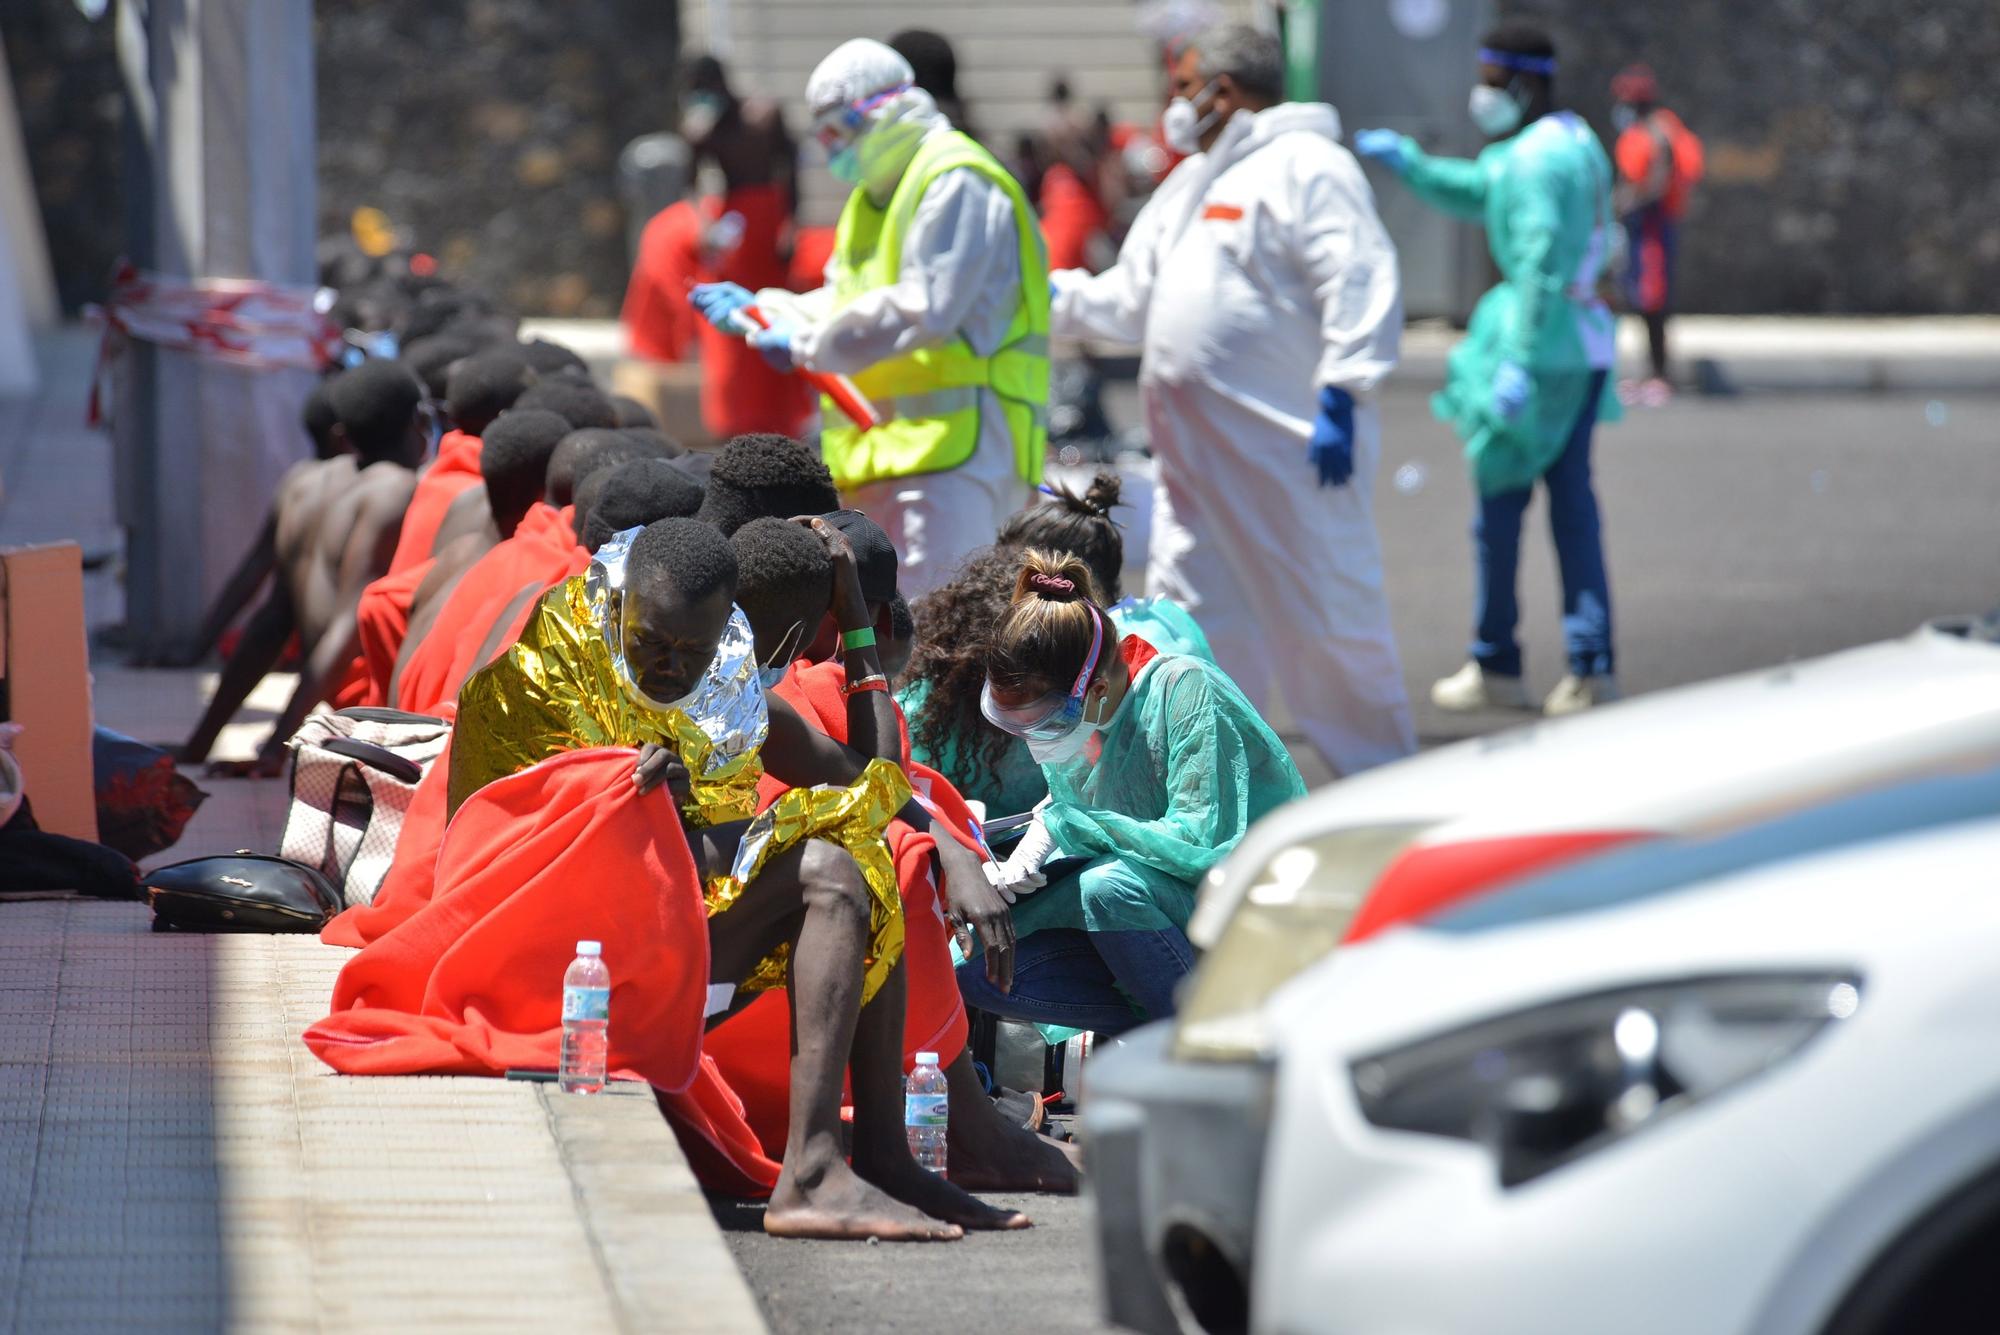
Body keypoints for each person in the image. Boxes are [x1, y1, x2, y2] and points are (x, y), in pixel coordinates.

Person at [313, 518, 1024, 1239]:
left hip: (681, 936)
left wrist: (949, 842)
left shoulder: (727, 677)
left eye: (694, 650)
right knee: (826, 862)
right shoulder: (531, 679)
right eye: (652, 643)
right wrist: (615, 799)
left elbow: (869, 782)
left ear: (728, 630)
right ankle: (816, 1170)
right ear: (620, 607)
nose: (671, 670)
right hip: (559, 968)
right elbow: (480, 859)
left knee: (860, 858)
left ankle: (873, 1157)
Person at [1049, 24, 1414, 779]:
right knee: (1198, 629)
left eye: (1181, 86)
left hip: (1288, 453)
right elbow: (1130, 298)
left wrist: (1345, 389)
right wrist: (1043, 298)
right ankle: (1214, 792)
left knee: (1328, 625)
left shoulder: (1307, 165)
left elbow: (1359, 278)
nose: (1171, 103)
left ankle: (1383, 787)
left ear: (1225, 89)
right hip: (1196, 466)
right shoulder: (1194, 181)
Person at [690, 38, 1051, 599]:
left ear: (884, 112)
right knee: (893, 633)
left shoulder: (956, 178)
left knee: (941, 628)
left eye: (836, 129)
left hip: (958, 454)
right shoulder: (872, 198)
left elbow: (924, 307)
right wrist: (764, 307)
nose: (830, 148)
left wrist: (805, 339)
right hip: (892, 455)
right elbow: (844, 298)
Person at [1355, 22, 1624, 716]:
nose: (1481, 95)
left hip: (1543, 353)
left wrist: (1523, 367)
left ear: (1522, 84)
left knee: (1501, 514)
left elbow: (1537, 260)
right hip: (1583, 347)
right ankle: (1591, 668)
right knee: (1573, 510)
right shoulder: (1568, 139)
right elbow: (1482, 191)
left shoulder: (1535, 161)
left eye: (1490, 82)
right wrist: (1414, 165)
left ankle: (1497, 660)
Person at [961, 551, 1304, 1035]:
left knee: (1108, 888)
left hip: (1246, 910)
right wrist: (1022, 860)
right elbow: (1067, 807)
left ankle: (1205, 1042)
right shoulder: (1090, 718)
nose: (1035, 740)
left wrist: (1074, 825)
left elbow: (1199, 843)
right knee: (978, 966)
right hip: (1162, 916)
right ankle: (1152, 1029)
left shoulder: (1184, 689)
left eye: (1043, 723)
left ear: (1098, 688)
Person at [180, 361, 424, 774]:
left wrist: (200, 742)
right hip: (358, 701)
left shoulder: (302, 481)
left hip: (322, 694)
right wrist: (277, 746)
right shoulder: (396, 490)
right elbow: (350, 624)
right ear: (417, 423)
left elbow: (272, 620)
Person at [621, 54, 814, 441]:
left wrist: (790, 225)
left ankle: (781, 421)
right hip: (732, 228)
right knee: (731, 335)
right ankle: (733, 423)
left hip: (768, 221)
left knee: (770, 314)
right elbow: (692, 184)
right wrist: (706, 226)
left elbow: (790, 167)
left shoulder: (764, 113)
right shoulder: (700, 129)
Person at [390, 410, 584, 715]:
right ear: (540, 494)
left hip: (405, 736)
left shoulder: (463, 554)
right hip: (437, 747)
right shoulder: (542, 577)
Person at [996, 473, 1215, 662]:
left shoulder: (1100, 655)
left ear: (1060, 578)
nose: (1006, 592)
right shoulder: (1169, 618)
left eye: (1022, 577)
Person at [1610, 63, 1703, 407]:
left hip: (1650, 225)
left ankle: (1659, 375)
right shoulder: (1656, 128)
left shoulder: (1654, 132)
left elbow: (1654, 180)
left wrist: (1625, 203)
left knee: (1652, 299)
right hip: (1648, 224)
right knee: (1644, 298)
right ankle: (1652, 373)